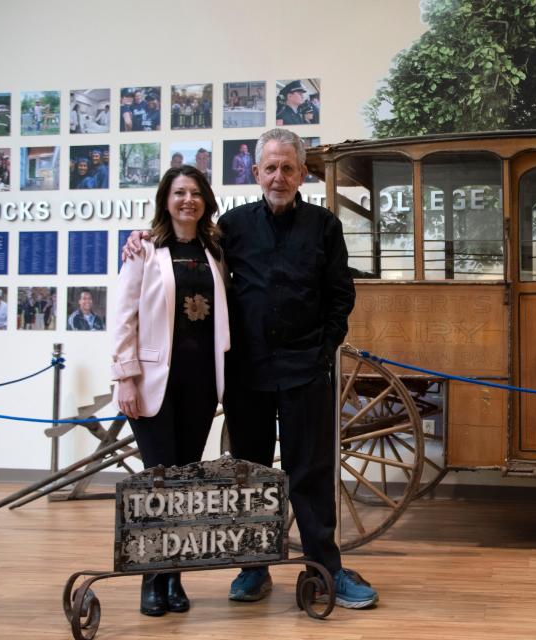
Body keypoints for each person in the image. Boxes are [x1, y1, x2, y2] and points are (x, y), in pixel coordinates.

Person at [124, 128, 376, 609]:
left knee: (311, 472)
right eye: (270, 168)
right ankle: (253, 568)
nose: (279, 176)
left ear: (302, 173)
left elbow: (341, 295)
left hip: (305, 370)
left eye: (288, 168)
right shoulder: (233, 227)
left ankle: (327, 569)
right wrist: (141, 238)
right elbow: (184, 240)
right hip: (248, 375)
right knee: (253, 476)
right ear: (256, 172)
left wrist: (324, 351)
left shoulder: (325, 226)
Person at [112, 165, 229, 617]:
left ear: (206, 201)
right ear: (166, 199)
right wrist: (125, 375)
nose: (188, 200)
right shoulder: (144, 248)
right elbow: (124, 316)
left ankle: (174, 577)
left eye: (196, 193)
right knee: (157, 482)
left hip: (201, 383)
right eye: (179, 192)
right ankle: (151, 580)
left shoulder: (216, 249)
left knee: (184, 482)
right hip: (153, 383)